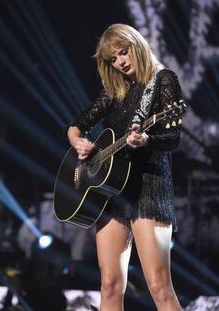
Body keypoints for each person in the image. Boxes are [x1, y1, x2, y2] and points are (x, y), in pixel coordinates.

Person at [66, 24, 183, 311]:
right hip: (111, 193)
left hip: (149, 188)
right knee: (109, 285)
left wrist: (146, 140)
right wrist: (78, 142)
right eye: (114, 59)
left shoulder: (163, 79)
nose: (121, 61)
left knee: (158, 285)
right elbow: (75, 126)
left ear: (137, 45)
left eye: (124, 52)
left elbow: (172, 138)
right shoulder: (114, 91)